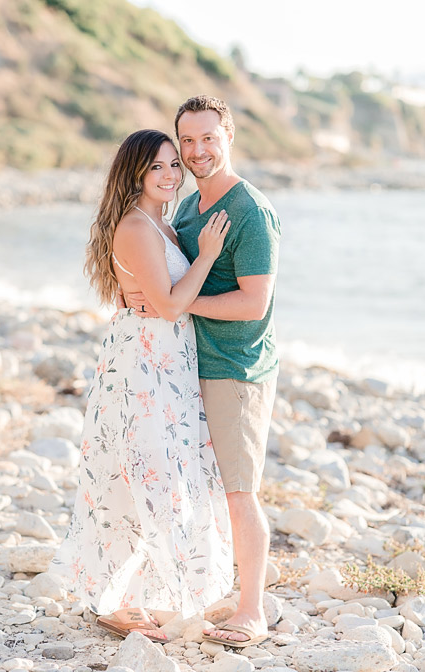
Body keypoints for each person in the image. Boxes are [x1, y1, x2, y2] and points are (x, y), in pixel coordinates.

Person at [50, 129, 235, 643]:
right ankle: (112, 600)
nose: (172, 174)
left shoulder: (165, 225)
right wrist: (209, 255)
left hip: (168, 366)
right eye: (158, 167)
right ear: (135, 174)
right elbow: (172, 304)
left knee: (156, 473)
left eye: (175, 164)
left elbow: (170, 303)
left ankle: (136, 593)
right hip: (142, 369)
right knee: (141, 475)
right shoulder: (135, 227)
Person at [125, 96, 281, 648]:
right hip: (186, 366)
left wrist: (176, 305)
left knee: (241, 491)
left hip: (235, 368)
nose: (196, 152)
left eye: (207, 138)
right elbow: (158, 265)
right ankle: (201, 588)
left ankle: (253, 610)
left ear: (230, 136)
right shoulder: (186, 208)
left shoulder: (250, 211)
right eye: (186, 141)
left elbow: (253, 303)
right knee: (197, 486)